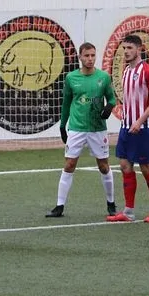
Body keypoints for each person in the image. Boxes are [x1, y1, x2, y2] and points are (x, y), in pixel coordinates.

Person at [45, 42, 116, 218]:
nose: (90, 59)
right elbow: (66, 103)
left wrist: (109, 108)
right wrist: (62, 125)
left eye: (93, 55)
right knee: (69, 165)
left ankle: (111, 203)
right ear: (80, 57)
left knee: (103, 166)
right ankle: (59, 206)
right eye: (87, 56)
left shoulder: (104, 77)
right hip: (76, 128)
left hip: (97, 128)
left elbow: (113, 99)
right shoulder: (71, 78)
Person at [106, 34, 149, 223]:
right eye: (124, 49)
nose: (126, 52)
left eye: (130, 48)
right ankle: (129, 211)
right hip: (126, 127)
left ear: (139, 49)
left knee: (146, 167)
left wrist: (139, 121)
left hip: (143, 128)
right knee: (124, 165)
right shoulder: (125, 71)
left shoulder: (148, 71)